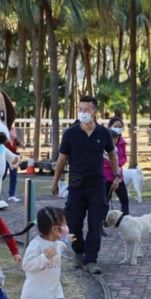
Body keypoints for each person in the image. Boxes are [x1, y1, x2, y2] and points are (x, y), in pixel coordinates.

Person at [52, 95, 121, 275]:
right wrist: (55, 181)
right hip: (76, 185)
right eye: (80, 109)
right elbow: (62, 158)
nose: (83, 112)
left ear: (94, 111)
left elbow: (112, 155)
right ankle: (78, 251)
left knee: (95, 224)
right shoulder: (71, 133)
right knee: (73, 223)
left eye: (86, 109)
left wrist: (116, 175)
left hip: (97, 185)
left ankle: (91, 260)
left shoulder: (103, 133)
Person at [103, 117, 129, 215]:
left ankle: (125, 219)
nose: (118, 128)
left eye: (120, 126)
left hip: (118, 176)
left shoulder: (122, 143)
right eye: (115, 126)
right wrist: (112, 163)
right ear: (110, 127)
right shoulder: (104, 141)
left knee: (124, 199)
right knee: (105, 201)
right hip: (106, 176)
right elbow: (103, 160)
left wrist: (118, 164)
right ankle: (103, 221)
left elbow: (124, 158)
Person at [2, 126, 22, 202]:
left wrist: (20, 143)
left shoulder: (13, 130)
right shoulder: (3, 130)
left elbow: (16, 142)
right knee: (2, 175)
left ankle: (11, 195)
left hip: (14, 156)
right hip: (5, 156)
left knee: (13, 175)